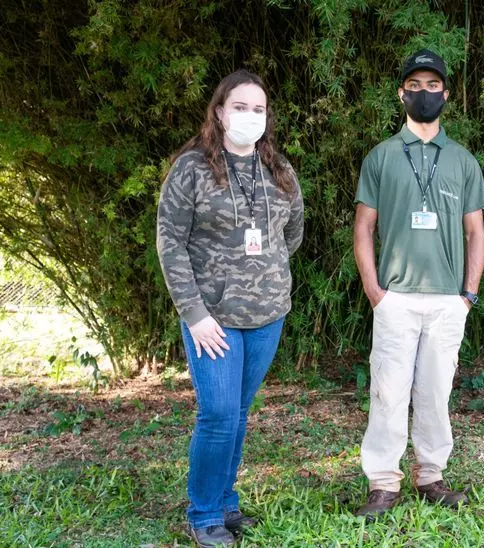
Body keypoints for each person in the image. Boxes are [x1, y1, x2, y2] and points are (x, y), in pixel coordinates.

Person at [157, 69, 304, 546]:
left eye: (258, 109)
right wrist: (195, 314)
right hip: (212, 320)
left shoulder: (279, 170)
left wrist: (266, 277)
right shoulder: (192, 169)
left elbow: (292, 233)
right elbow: (170, 244)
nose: (249, 116)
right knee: (218, 413)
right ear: (219, 112)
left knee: (238, 412)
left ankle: (225, 502)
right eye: (240, 107)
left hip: (267, 316)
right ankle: (203, 513)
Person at [352, 49, 484, 519]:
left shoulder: (463, 161)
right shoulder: (382, 157)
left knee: (435, 393)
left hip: (448, 300)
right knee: (387, 392)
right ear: (401, 94)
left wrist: (468, 294)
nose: (424, 93)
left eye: (432, 86)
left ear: (446, 94)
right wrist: (375, 291)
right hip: (396, 297)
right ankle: (383, 483)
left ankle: (430, 475)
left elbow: (475, 232)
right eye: (415, 86)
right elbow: (364, 227)